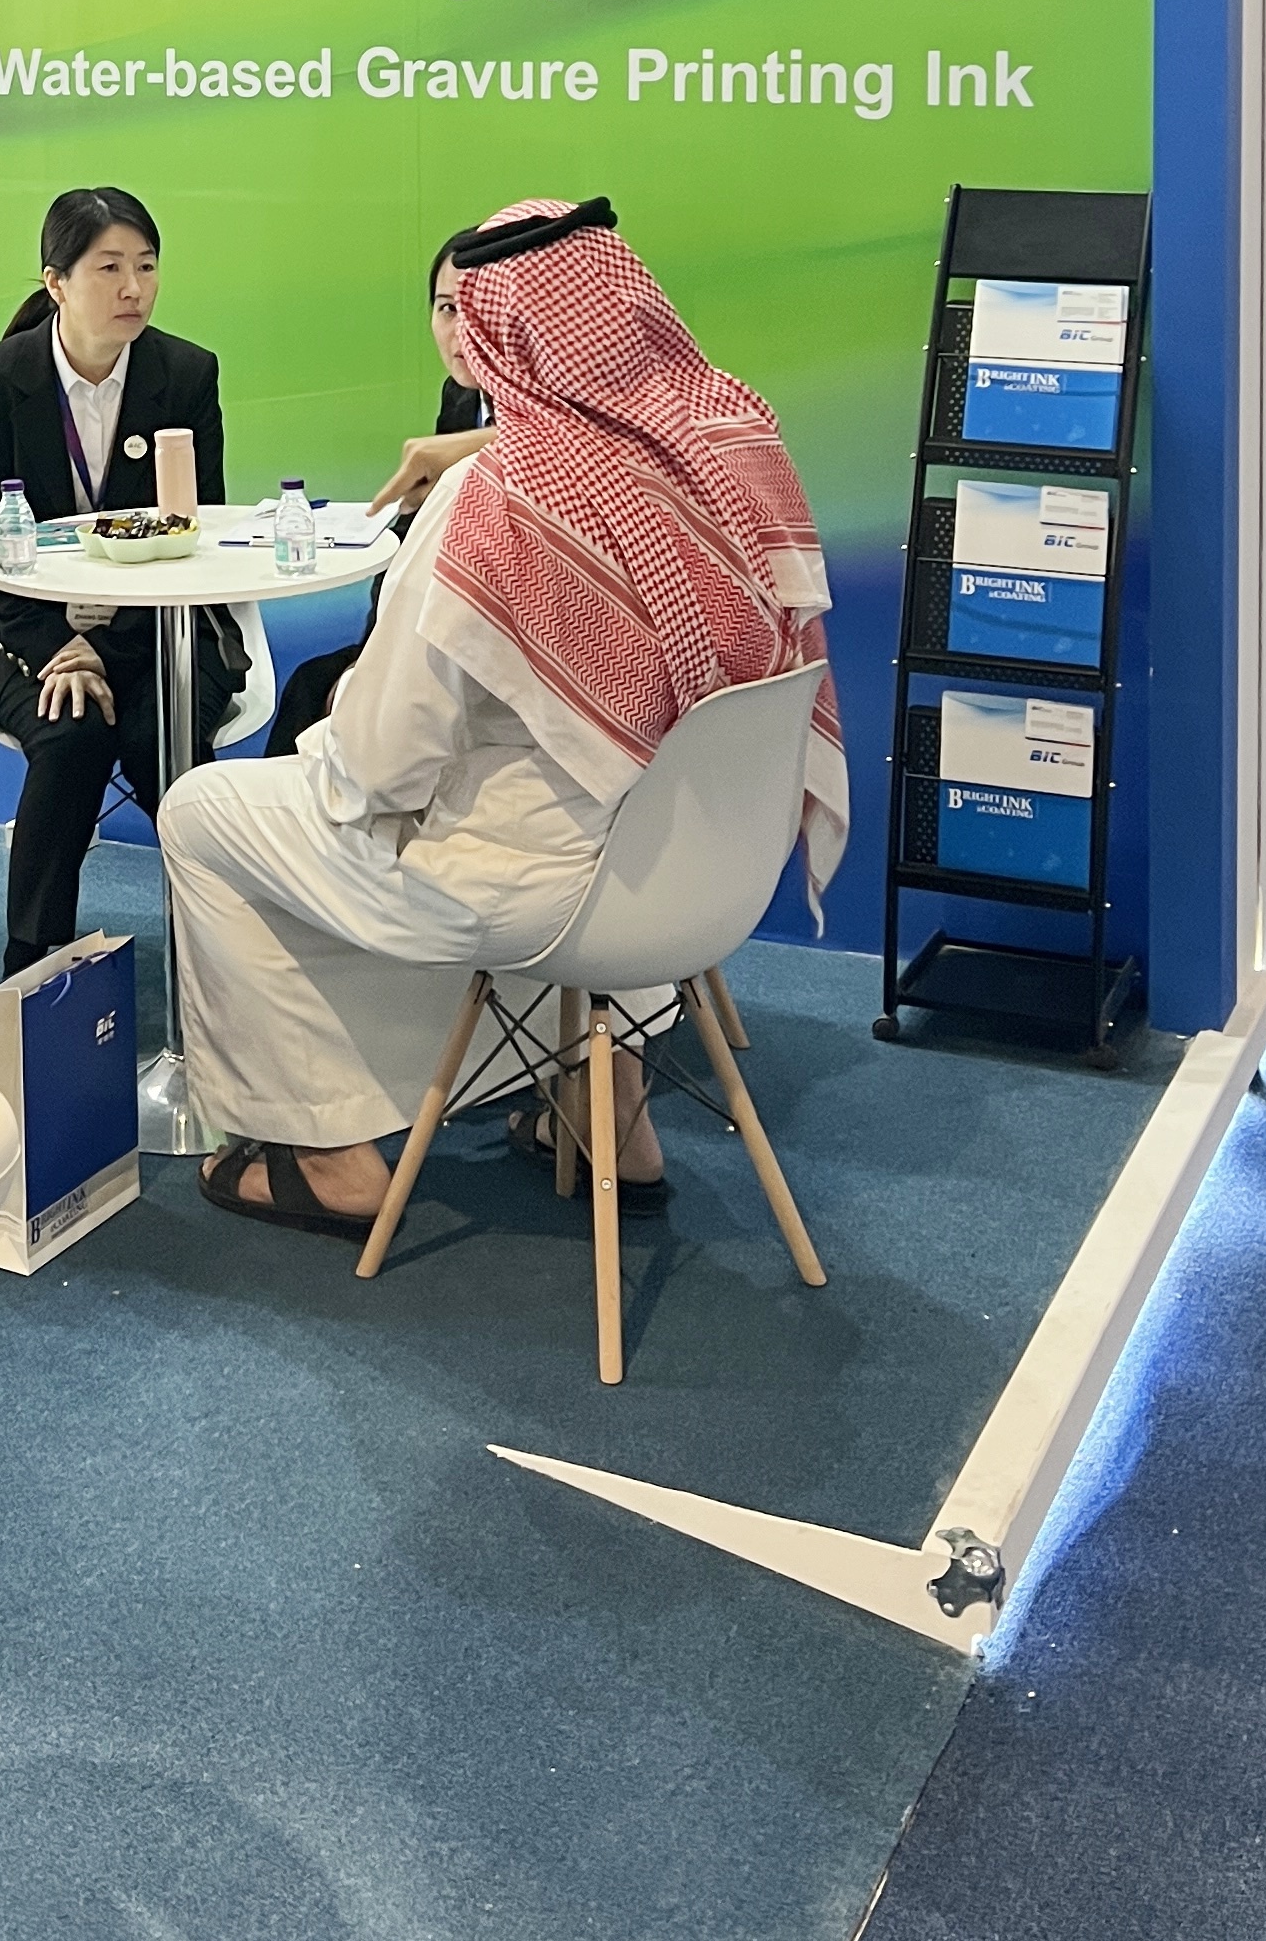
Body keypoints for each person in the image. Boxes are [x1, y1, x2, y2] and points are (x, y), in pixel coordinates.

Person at [159, 197, 846, 1238]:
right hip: (705, 872)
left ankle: (327, 1157)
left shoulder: (497, 496)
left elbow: (382, 766)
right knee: (579, 794)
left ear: (496, 330)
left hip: (544, 899)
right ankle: (604, 1101)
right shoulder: (739, 450)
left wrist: (325, 746)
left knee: (208, 812)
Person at [0, 186, 239, 978]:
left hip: (164, 630)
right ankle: (33, 964)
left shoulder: (185, 373)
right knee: (70, 731)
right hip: (30, 633)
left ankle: (225, 951)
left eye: (146, 266)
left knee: (160, 739)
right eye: (109, 268)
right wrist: (62, 648)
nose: (133, 288)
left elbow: (198, 536)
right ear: (56, 282)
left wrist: (105, 650)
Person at [261, 228, 493, 759]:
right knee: (311, 686)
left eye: (481, 309)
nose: (461, 331)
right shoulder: (462, 396)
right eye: (447, 309)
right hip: (423, 630)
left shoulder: (569, 419)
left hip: (489, 648)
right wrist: (371, 658)